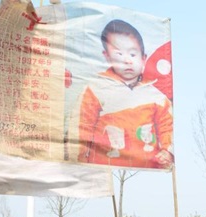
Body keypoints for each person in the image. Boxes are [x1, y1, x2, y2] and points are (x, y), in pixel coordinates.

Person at [74, 19, 174, 169]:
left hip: (147, 167)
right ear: (107, 56)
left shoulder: (155, 94)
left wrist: (167, 151)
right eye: (119, 54)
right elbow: (82, 126)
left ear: (143, 58)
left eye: (133, 54)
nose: (127, 60)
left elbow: (166, 125)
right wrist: (80, 157)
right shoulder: (96, 88)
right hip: (103, 167)